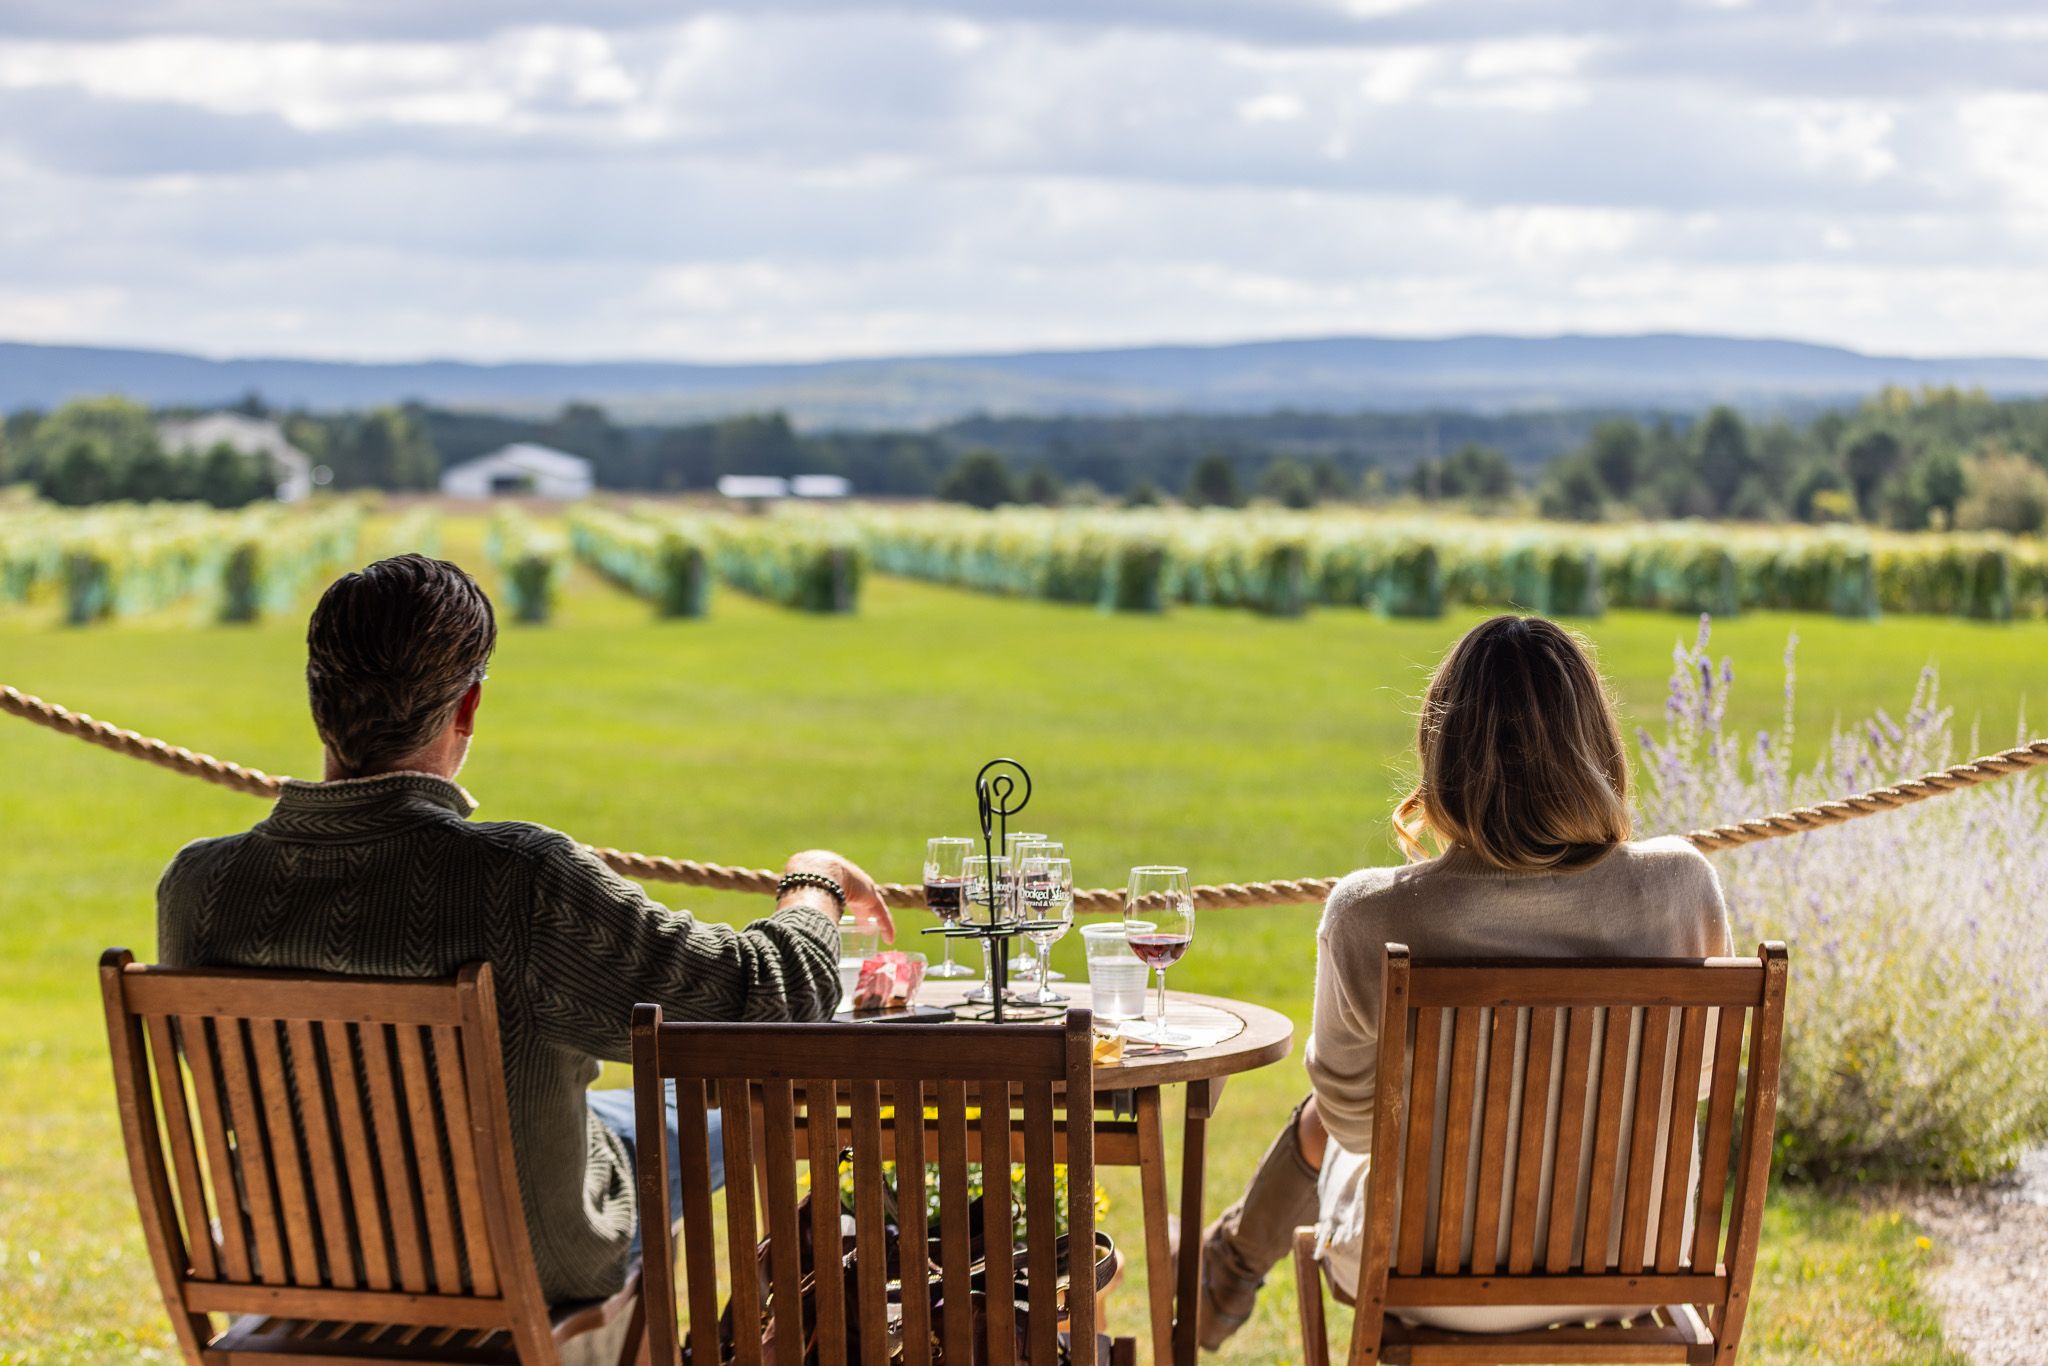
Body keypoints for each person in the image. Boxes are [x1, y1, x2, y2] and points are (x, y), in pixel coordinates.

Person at [156, 553, 893, 1307]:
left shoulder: (197, 889)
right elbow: (763, 1004)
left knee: (625, 1111)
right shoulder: (519, 879)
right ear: (468, 706)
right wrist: (814, 881)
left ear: (319, 700)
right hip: (516, 1265)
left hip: (298, 1260)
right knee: (714, 1110)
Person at [1198, 614, 1731, 1347]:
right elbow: (1696, 1079)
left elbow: (1354, 1126)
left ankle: (1220, 1271)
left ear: (1442, 751)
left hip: (1426, 1278)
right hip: (1632, 1259)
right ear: (1596, 746)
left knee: (1325, 1113)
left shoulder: (1368, 913)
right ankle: (1218, 1269)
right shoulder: (1683, 886)